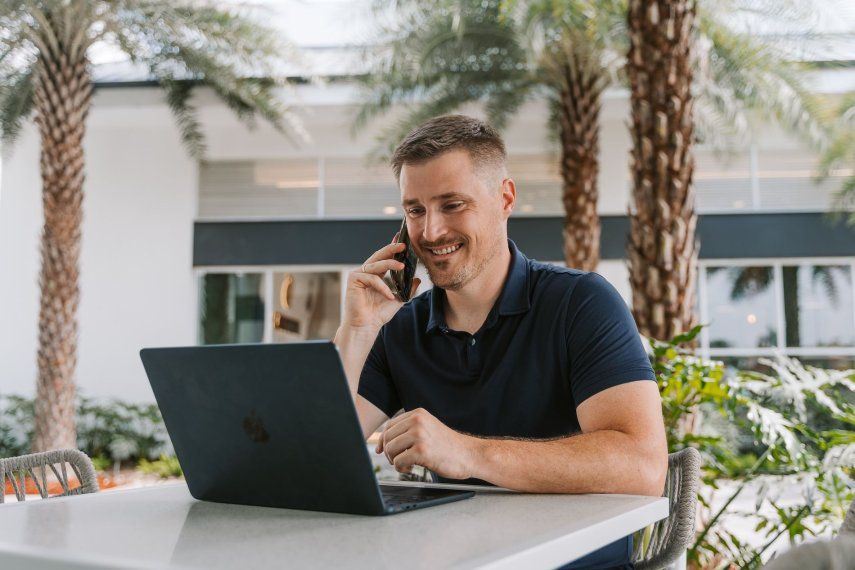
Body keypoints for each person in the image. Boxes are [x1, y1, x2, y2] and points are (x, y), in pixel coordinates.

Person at [333, 115, 667, 569]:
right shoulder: (398, 327)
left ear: (505, 198)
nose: (430, 232)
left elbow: (642, 466)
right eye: (415, 211)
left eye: (452, 205)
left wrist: (468, 452)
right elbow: (319, 456)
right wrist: (357, 331)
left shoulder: (581, 303)